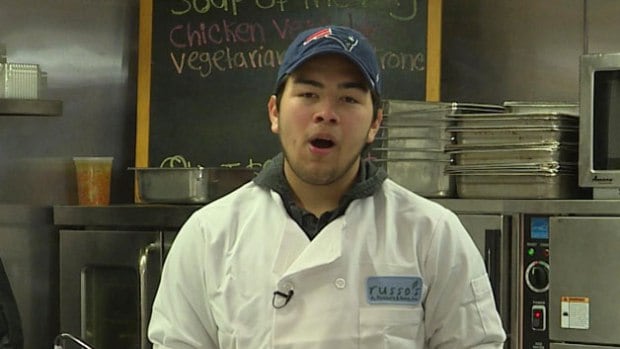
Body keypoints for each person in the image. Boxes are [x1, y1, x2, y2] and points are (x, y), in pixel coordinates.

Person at [148, 25, 506, 348]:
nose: (326, 113)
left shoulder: (431, 234)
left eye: (348, 99)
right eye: (308, 94)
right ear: (274, 112)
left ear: (375, 123)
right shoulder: (209, 235)